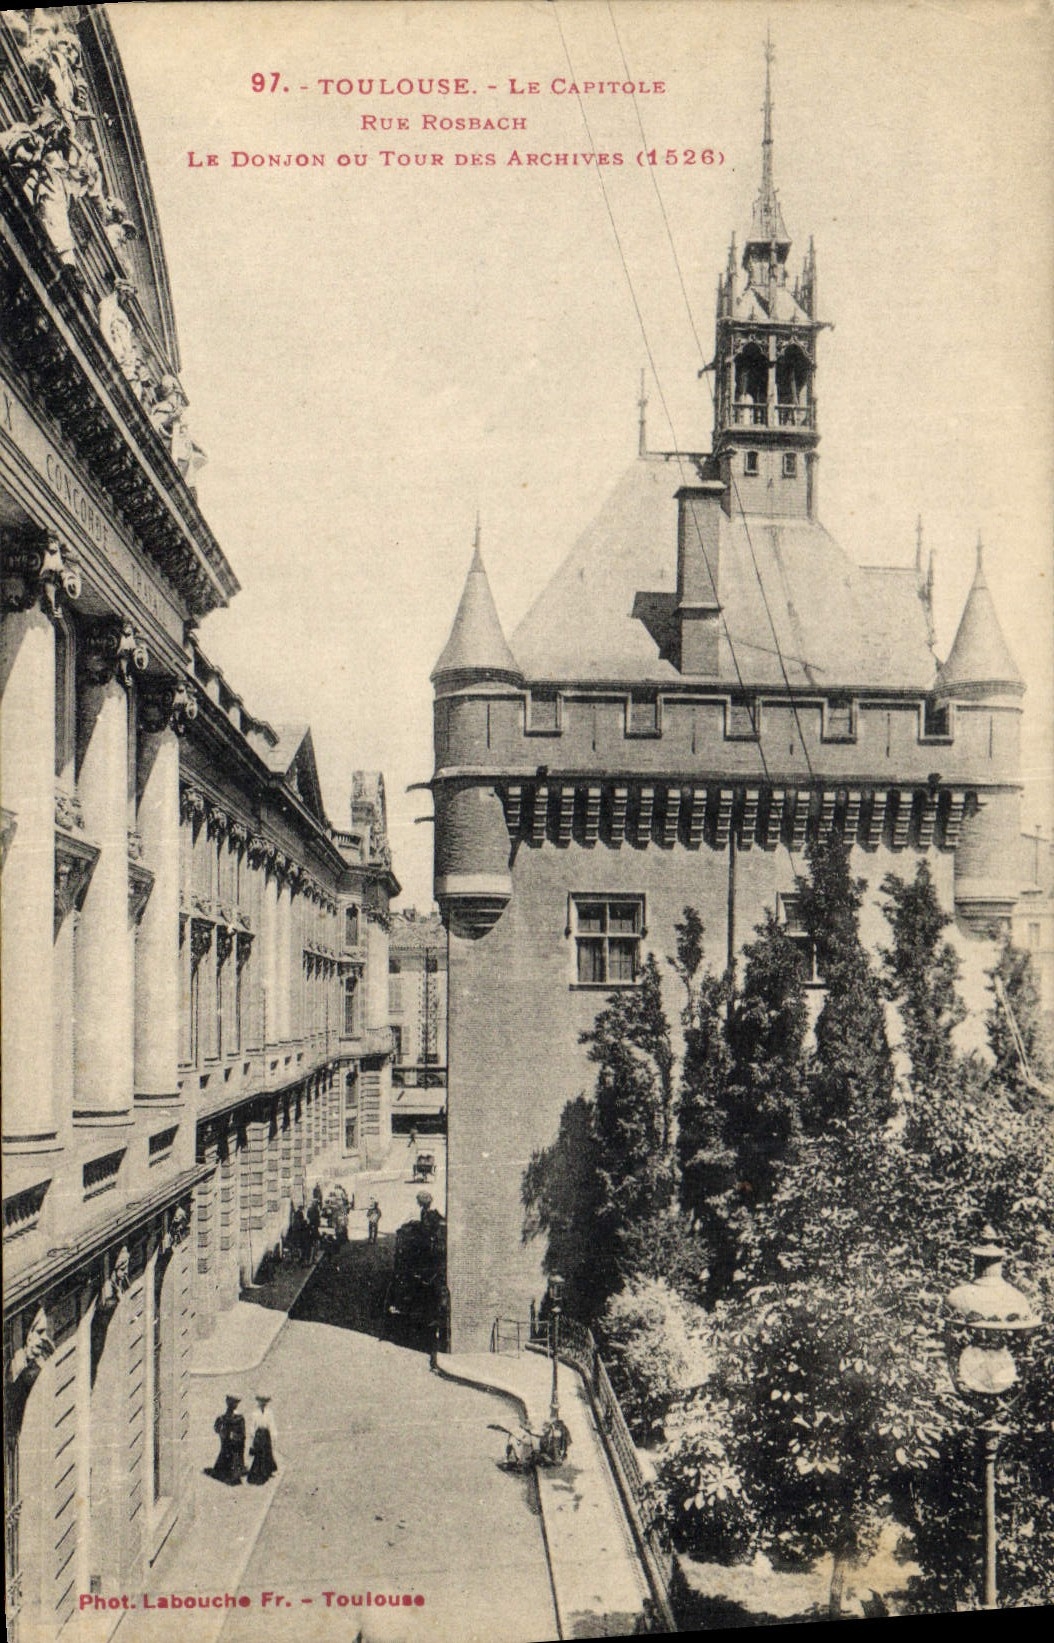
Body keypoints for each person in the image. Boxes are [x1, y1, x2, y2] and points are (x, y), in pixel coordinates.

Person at [208, 1395, 245, 1485]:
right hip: (231, 1443)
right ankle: (231, 1472)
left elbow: (216, 1429)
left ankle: (226, 1471)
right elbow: (242, 1434)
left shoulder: (223, 1418)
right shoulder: (238, 1419)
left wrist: (223, 1433)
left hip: (228, 1442)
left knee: (226, 1452)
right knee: (230, 1453)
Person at [246, 1394, 277, 1485]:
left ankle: (267, 1471)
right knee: (259, 1452)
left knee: (267, 1452)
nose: (263, 1404)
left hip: (266, 1434)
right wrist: (252, 1435)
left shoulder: (269, 1412)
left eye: (265, 1402)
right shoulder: (255, 1413)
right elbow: (252, 1425)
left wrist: (273, 1434)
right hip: (259, 1434)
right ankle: (258, 1472)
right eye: (261, 1402)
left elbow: (272, 1424)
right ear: (258, 1402)